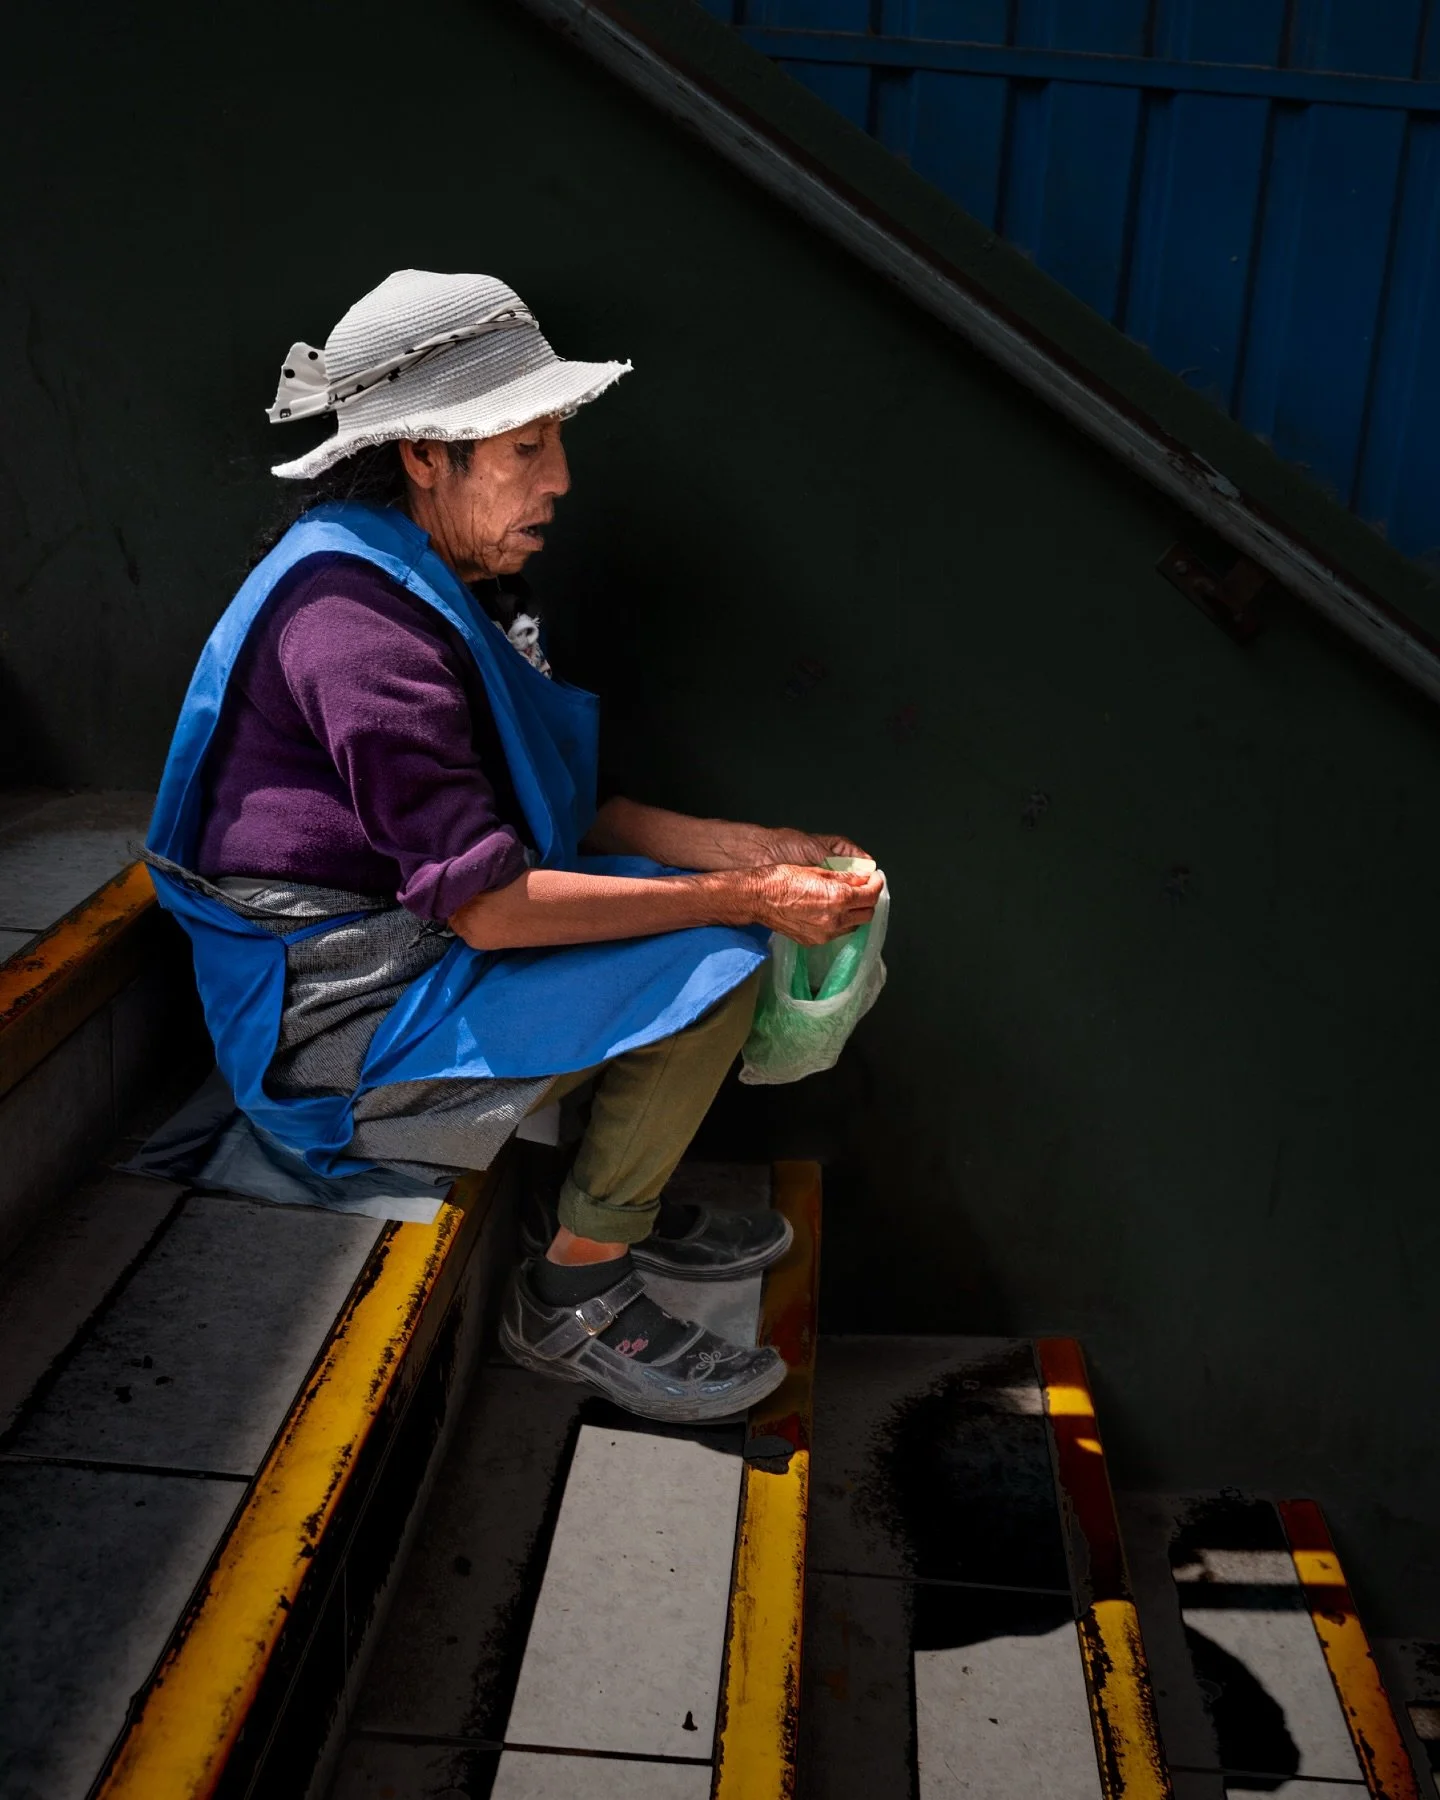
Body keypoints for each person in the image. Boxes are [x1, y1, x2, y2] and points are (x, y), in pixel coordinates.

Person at [146, 269, 881, 1423]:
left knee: (681, 901)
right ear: (424, 456)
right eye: (526, 447)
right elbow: (490, 906)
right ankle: (572, 1292)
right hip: (333, 1020)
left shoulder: (422, 573)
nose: (561, 479)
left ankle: (604, 1194)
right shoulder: (355, 628)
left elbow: (548, 810)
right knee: (714, 962)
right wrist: (744, 896)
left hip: (411, 943)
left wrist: (755, 848)